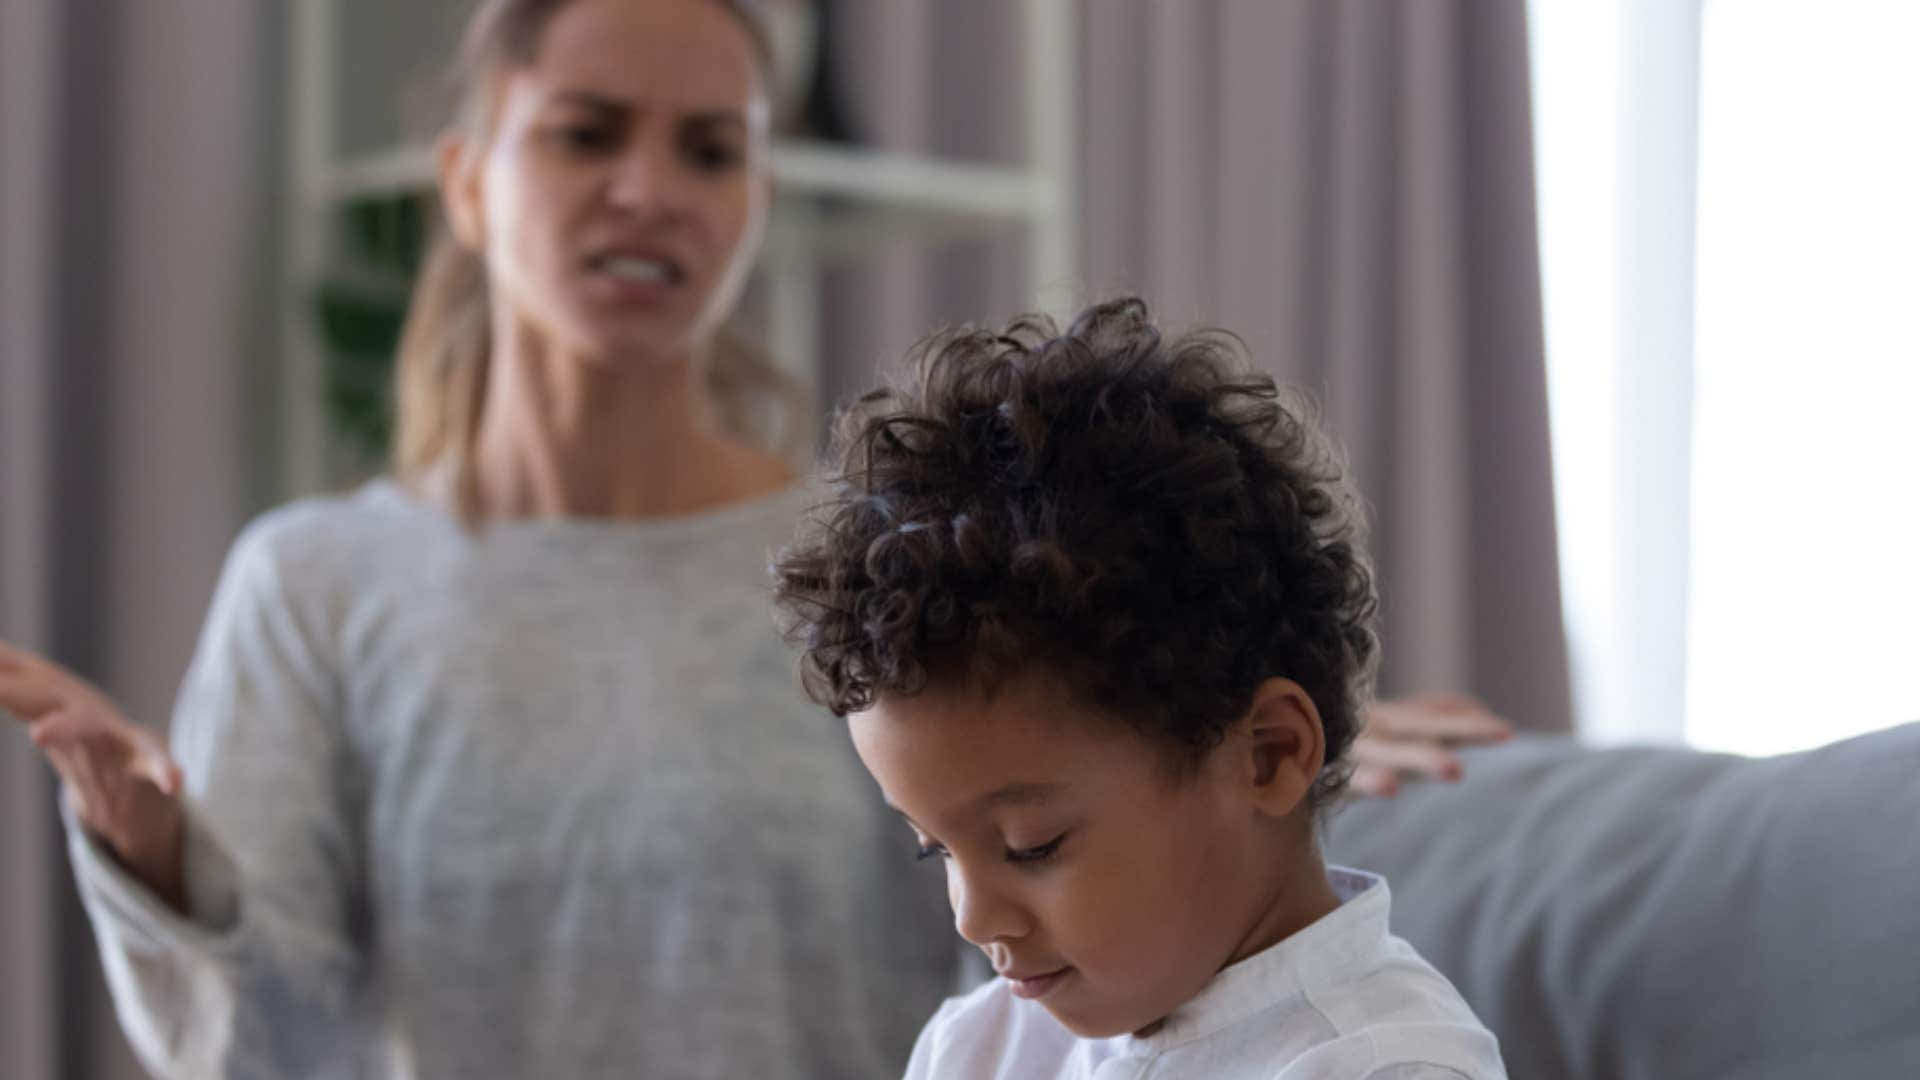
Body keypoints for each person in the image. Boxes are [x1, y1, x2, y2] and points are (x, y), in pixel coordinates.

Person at [0, 2, 1505, 1076]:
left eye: (711, 149)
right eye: (589, 133)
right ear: (467, 177)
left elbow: (1102, 896)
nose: (650, 187)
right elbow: (251, 1052)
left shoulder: (914, 576)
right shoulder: (317, 585)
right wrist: (164, 877)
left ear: (759, 196)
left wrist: (1315, 735)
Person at [773, 297, 1508, 1078]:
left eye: (1032, 845)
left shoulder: (1384, 1066)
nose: (972, 917)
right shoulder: (979, 1048)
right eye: (936, 851)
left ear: (1267, 755)